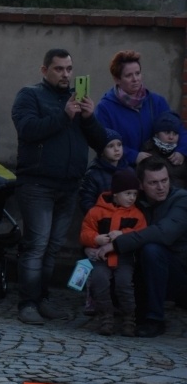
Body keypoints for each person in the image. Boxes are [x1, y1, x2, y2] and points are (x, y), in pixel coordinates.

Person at [12, 48, 106, 326]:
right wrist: (64, 116)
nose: (65, 74)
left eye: (69, 69)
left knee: (52, 248)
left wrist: (89, 118)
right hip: (37, 184)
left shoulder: (77, 100)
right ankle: (27, 303)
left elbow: (101, 143)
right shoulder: (29, 95)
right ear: (44, 70)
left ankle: (42, 299)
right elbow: (28, 130)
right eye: (59, 69)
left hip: (69, 186)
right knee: (36, 245)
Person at [95, 157, 187, 337]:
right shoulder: (133, 200)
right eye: (153, 183)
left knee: (152, 250)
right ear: (142, 185)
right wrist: (97, 242)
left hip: (178, 272)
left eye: (164, 180)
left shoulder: (181, 199)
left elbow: (164, 233)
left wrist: (120, 241)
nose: (161, 187)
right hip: (142, 267)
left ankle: (155, 319)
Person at [79, 167, 146, 336]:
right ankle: (106, 316)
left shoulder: (137, 215)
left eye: (134, 194)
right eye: (127, 193)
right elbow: (85, 232)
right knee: (99, 282)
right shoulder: (96, 211)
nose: (132, 198)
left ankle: (129, 318)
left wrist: (123, 234)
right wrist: (95, 239)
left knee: (125, 285)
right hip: (101, 258)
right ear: (115, 193)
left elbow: (141, 233)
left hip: (124, 259)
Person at [94, 49, 187, 167]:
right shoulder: (105, 108)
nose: (135, 79)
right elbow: (101, 143)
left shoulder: (157, 102)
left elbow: (179, 129)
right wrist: (133, 156)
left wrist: (182, 151)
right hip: (123, 173)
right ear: (117, 79)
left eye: (138, 73)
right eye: (129, 75)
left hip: (156, 172)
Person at [77, 128, 131, 316]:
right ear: (101, 151)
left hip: (120, 226)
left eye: (119, 145)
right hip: (96, 225)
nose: (117, 149)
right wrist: (98, 219)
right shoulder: (93, 173)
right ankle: (84, 293)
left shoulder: (127, 170)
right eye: (111, 146)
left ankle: (112, 298)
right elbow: (86, 200)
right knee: (88, 257)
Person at [140, 111, 187, 188]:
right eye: (167, 132)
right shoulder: (148, 151)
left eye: (175, 133)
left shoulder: (182, 154)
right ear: (157, 133)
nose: (171, 137)